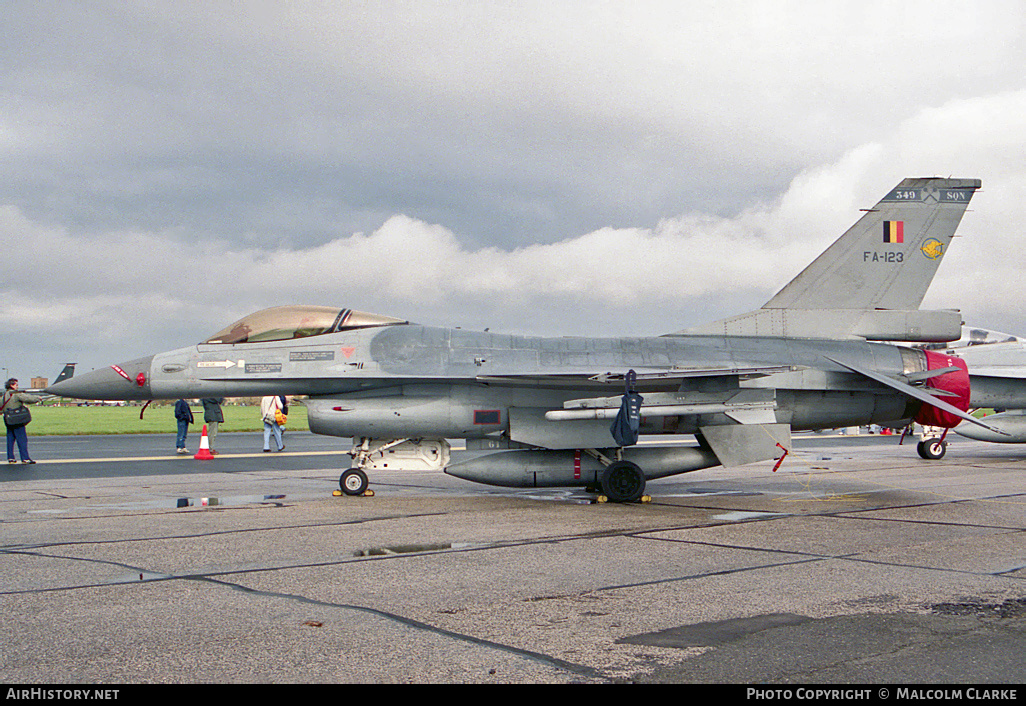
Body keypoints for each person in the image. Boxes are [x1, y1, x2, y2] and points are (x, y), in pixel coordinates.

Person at [3, 378, 41, 464]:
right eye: (16, 385)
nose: (17, 386)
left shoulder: (4, 395)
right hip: (16, 418)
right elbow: (27, 399)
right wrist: (37, 398)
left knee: (10, 439)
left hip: (7, 418)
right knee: (22, 439)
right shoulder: (16, 394)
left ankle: (11, 458)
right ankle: (25, 458)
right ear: (12, 385)